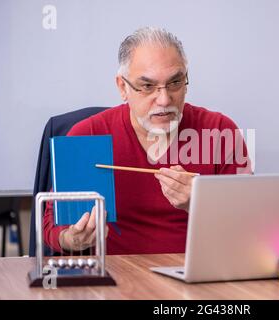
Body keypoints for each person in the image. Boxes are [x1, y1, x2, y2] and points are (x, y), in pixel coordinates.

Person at [43, 27, 252, 255]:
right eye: (147, 86)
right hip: (120, 280)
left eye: (175, 83)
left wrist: (202, 204)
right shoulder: (89, 134)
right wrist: (72, 238)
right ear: (123, 87)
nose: (164, 100)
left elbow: (251, 226)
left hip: (198, 277)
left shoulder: (220, 131)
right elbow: (52, 226)